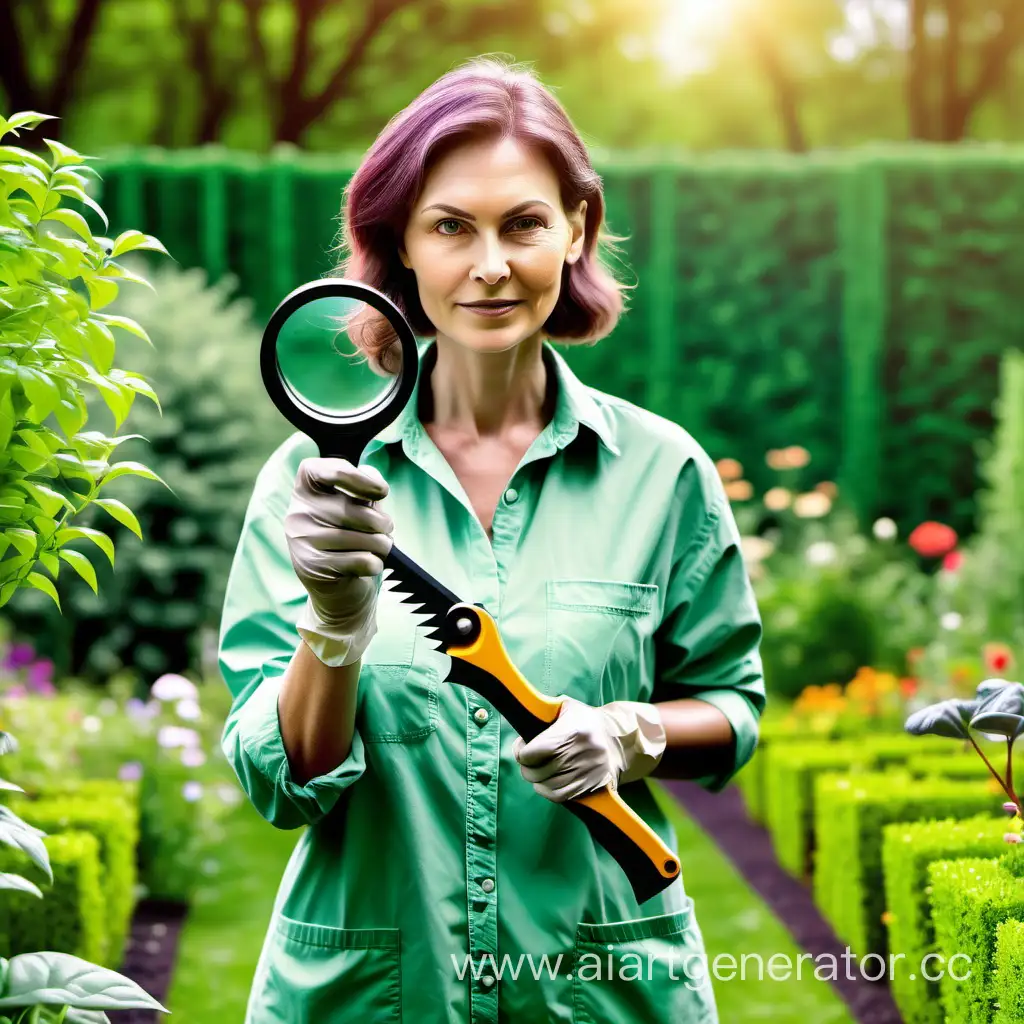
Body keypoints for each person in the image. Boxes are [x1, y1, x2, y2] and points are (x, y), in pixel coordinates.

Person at [218, 54, 765, 1024]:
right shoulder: (308, 491)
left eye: (522, 223)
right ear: (402, 245)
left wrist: (628, 732)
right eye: (450, 226)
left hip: (594, 993)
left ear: (576, 230)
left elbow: (731, 708)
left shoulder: (660, 472)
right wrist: (335, 626)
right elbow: (283, 783)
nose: (488, 264)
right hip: (370, 997)